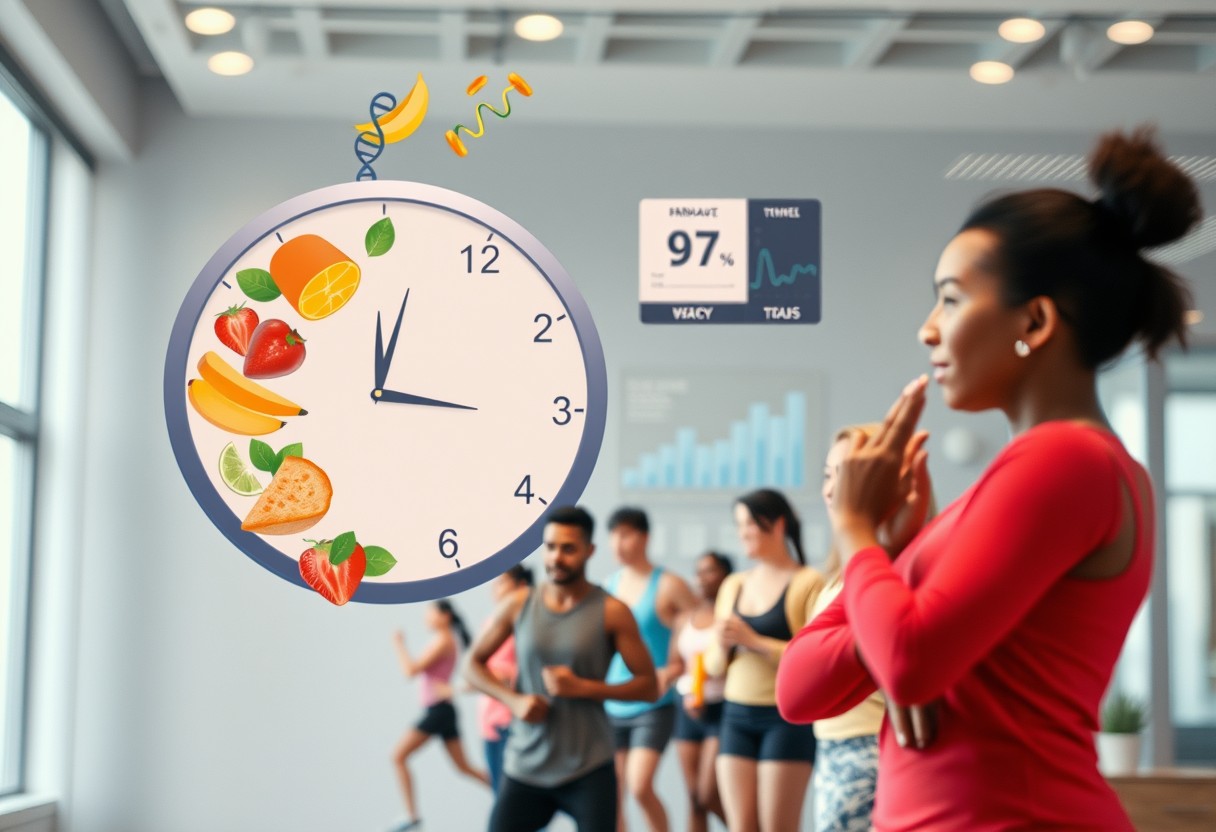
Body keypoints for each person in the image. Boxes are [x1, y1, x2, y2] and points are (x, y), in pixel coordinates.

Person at [776, 127, 1201, 831]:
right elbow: (801, 687)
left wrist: (856, 530)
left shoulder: (1067, 462)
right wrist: (894, 569)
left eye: (949, 299)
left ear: (1033, 321)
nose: (927, 330)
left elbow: (909, 662)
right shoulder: (994, 490)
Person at [465, 506, 659, 832]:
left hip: (589, 767)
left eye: (568, 548)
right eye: (551, 547)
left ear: (589, 551)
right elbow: (470, 665)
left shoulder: (613, 612)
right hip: (525, 765)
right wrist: (514, 701)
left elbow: (649, 686)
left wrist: (584, 688)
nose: (557, 557)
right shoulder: (519, 603)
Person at [811, 423, 934, 832]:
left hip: (869, 749)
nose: (833, 491)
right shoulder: (835, 578)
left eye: (845, 477)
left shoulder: (895, 572)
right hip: (830, 749)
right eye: (828, 477)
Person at [705, 488, 826, 832]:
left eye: (748, 524)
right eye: (738, 525)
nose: (741, 533)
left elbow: (813, 662)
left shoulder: (808, 582)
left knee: (778, 828)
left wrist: (754, 642)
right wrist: (723, 645)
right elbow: (715, 666)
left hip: (785, 718)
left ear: (777, 525)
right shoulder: (734, 584)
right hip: (735, 715)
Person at [603, 507, 698, 832]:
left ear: (644, 537)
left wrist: (675, 671)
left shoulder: (669, 584)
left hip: (653, 703)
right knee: (611, 798)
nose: (618, 543)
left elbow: (701, 629)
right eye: (613, 535)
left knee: (640, 786)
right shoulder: (607, 586)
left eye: (626, 534)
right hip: (612, 702)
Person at [390, 599, 490, 832]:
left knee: (398, 756)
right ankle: (507, 792)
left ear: (444, 616)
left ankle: (411, 815)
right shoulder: (443, 641)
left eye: (430, 613)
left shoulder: (443, 641)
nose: (426, 618)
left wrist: (399, 644)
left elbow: (410, 671)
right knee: (465, 767)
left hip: (439, 710)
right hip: (442, 710)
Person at [665, 551, 733, 832]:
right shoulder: (685, 619)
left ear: (726, 577)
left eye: (710, 571)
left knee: (708, 794)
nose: (702, 578)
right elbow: (675, 664)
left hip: (721, 708)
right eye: (699, 571)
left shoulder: (731, 618)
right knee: (694, 799)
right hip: (687, 708)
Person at [478, 564, 534, 793]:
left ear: (521, 586)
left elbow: (526, 672)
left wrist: (488, 674)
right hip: (489, 720)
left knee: (512, 798)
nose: (495, 589)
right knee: (500, 793)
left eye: (501, 582)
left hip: (509, 719)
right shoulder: (491, 623)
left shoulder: (525, 623)